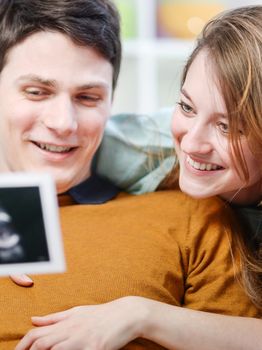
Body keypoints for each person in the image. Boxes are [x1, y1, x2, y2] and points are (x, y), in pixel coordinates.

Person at [13, 5, 262, 350]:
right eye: (187, 107)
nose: (190, 144)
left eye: (229, 126)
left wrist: (141, 315)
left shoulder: (196, 223)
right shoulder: (141, 147)